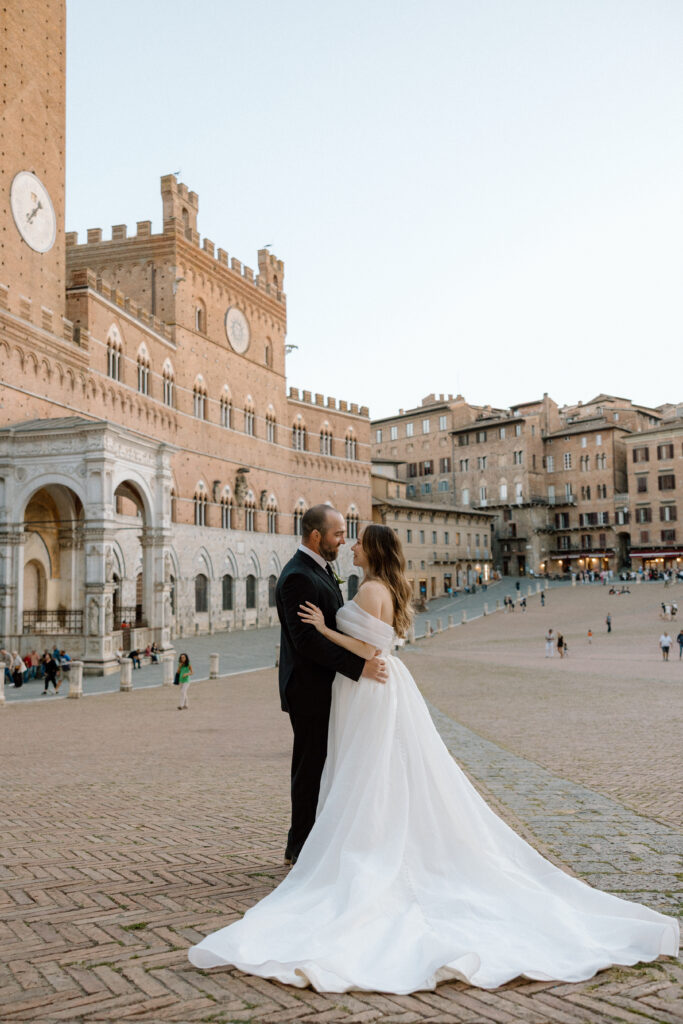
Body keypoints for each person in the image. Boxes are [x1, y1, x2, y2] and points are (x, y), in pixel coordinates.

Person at [189, 524, 678, 991]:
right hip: (380, 684)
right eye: (348, 539)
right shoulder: (385, 587)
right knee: (382, 769)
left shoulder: (372, 591)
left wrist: (323, 627)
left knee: (370, 770)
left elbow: (365, 645)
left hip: (369, 686)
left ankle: (371, 848)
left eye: (358, 543)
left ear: (373, 551)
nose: (352, 547)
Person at [273, 504, 387, 867]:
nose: (344, 540)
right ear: (316, 536)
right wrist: (360, 667)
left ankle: (310, 843)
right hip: (309, 690)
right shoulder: (297, 577)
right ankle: (301, 848)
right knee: (309, 769)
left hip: (328, 686)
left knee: (323, 766)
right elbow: (307, 642)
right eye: (338, 534)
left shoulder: (321, 568)